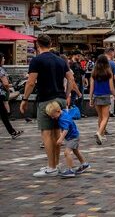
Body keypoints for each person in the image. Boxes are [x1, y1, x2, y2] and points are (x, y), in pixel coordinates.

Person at [20, 34, 78, 177]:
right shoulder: (60, 60)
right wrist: (66, 94)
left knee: (46, 133)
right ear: (50, 43)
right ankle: (56, 165)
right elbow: (71, 78)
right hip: (60, 98)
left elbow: (31, 82)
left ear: (37, 45)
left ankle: (51, 167)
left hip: (45, 99)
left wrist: (24, 99)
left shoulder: (36, 60)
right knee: (57, 132)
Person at [45, 101, 90, 178]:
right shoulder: (63, 113)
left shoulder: (63, 119)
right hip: (74, 136)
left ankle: (70, 170)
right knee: (76, 151)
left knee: (66, 152)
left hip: (73, 138)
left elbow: (66, 129)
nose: (52, 118)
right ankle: (84, 164)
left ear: (58, 111)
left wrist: (60, 138)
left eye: (53, 116)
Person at [89, 54, 115, 145]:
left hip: (96, 96)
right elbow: (111, 87)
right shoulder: (108, 73)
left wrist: (90, 98)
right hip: (105, 95)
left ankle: (101, 134)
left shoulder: (94, 73)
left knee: (100, 117)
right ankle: (99, 133)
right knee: (106, 117)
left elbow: (91, 87)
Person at [0, 53, 22, 138]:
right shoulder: (1, 70)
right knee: (4, 115)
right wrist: (9, 87)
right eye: (3, 58)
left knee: (3, 114)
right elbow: (5, 83)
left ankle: (12, 132)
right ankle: (13, 132)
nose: (4, 60)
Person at [69, 51, 86, 118]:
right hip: (75, 82)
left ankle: (80, 112)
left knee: (80, 97)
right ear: (74, 55)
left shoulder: (78, 63)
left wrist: (83, 68)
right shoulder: (71, 63)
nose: (79, 57)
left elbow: (82, 72)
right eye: (78, 56)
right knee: (73, 97)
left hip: (80, 82)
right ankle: (73, 113)